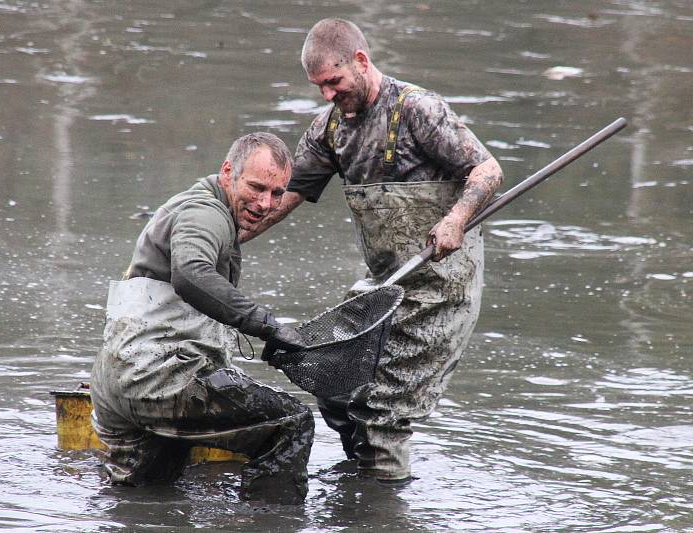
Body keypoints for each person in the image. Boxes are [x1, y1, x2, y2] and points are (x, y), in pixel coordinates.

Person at [244, 19, 504, 484]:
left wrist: (455, 219)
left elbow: (487, 170)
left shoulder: (418, 110)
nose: (326, 94)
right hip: (385, 286)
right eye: (318, 86)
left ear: (360, 62)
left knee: (384, 414)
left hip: (442, 288)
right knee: (332, 379)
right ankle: (359, 481)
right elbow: (284, 197)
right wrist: (228, 238)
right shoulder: (329, 128)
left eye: (333, 82)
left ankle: (380, 503)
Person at [90, 132, 314, 505]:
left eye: (277, 194)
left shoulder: (195, 205)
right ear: (228, 172)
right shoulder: (206, 213)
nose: (265, 204)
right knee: (290, 424)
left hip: (120, 379)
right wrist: (264, 324)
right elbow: (191, 272)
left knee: (146, 498)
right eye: (257, 187)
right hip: (159, 377)